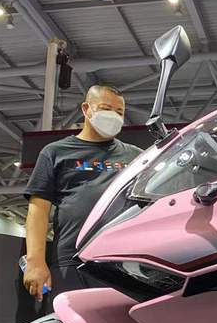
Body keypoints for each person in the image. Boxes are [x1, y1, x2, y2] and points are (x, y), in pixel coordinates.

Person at [23, 85, 142, 303]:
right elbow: (38, 210)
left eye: (119, 112)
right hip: (72, 261)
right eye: (106, 108)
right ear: (86, 109)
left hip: (124, 263)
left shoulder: (137, 156)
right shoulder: (55, 152)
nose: (114, 116)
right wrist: (35, 261)